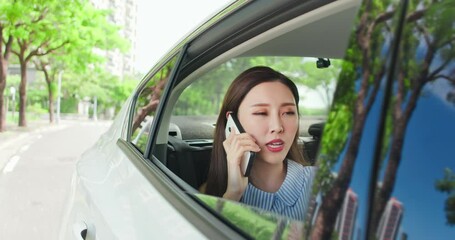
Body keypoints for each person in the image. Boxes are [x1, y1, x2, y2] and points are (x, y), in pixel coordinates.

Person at [205, 66, 316, 221]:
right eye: (261, 113)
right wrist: (233, 194)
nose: (277, 127)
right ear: (232, 122)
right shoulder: (209, 195)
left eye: (288, 112)